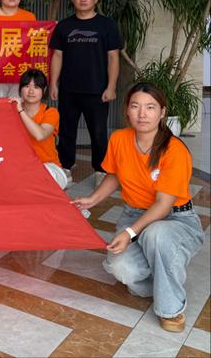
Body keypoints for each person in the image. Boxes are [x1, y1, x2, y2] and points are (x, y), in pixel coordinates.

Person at [71, 83, 203, 333]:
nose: (142, 114)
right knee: (120, 268)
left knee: (156, 235)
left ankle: (171, 308)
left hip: (175, 220)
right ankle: (164, 273)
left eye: (150, 107)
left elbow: (163, 205)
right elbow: (114, 175)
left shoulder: (175, 150)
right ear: (127, 111)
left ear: (162, 112)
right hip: (134, 213)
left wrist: (130, 232)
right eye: (136, 106)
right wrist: (92, 199)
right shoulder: (119, 138)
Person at [50, 0, 122, 183]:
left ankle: (101, 170)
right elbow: (57, 55)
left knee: (98, 132)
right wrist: (53, 83)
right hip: (69, 89)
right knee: (66, 131)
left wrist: (111, 87)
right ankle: (65, 167)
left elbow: (113, 57)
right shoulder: (64, 26)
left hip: (97, 90)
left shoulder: (107, 25)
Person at [0, 69, 67, 189]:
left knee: (36, 176)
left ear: (44, 90)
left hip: (49, 168)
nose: (31, 91)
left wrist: (20, 110)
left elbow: (40, 135)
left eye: (36, 87)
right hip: (20, 167)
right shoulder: (10, 111)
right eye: (27, 86)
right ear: (20, 89)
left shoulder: (50, 112)